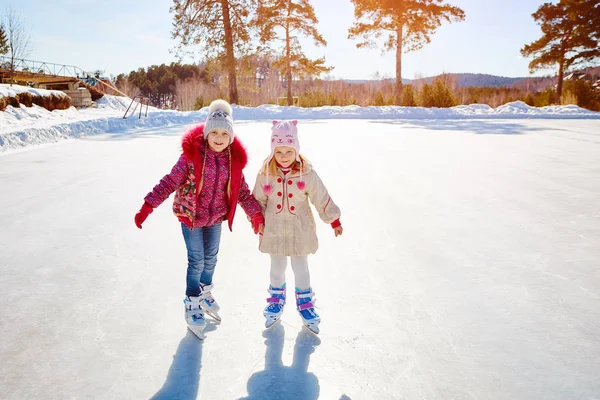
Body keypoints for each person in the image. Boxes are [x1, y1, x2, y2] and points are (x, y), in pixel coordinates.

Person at [134, 99, 264, 338]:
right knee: (197, 261)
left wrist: (255, 213)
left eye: (224, 133)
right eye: (213, 131)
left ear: (231, 137)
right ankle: (193, 301)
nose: (218, 137)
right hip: (190, 217)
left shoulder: (232, 163)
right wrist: (148, 205)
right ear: (206, 133)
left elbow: (242, 192)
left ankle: (205, 291)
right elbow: (169, 182)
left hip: (214, 218)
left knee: (211, 259)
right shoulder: (191, 157)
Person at [252, 120, 342, 334]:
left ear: (297, 150)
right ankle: (276, 299)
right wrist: (256, 218)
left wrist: (334, 220)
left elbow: (321, 197)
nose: (284, 156)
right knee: (277, 268)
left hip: (300, 229)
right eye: (279, 151)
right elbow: (257, 200)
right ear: (273, 150)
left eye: (289, 151)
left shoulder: (307, 173)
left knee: (301, 268)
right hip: (274, 229)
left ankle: (305, 302)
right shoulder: (265, 173)